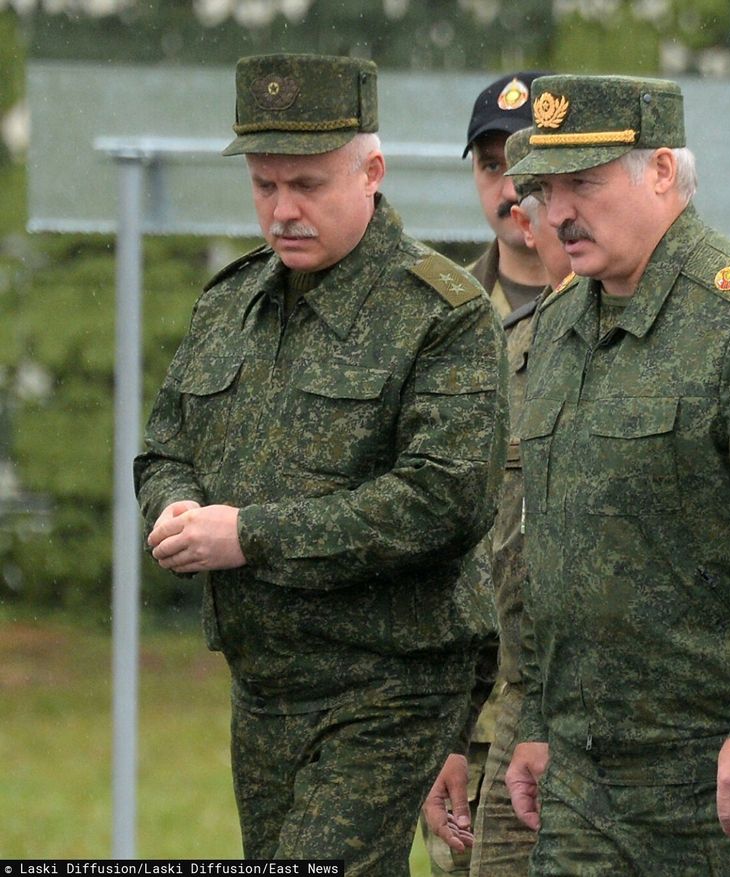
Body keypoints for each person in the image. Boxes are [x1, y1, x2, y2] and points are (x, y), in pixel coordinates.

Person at [133, 53, 507, 874]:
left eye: (307, 184)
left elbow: (442, 500)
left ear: (371, 172)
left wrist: (250, 536)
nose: (282, 210)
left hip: (389, 683)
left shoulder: (438, 315)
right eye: (265, 186)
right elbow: (166, 445)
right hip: (264, 688)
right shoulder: (231, 300)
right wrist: (174, 506)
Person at [503, 73, 730, 875]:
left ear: (662, 172)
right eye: (545, 186)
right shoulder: (561, 325)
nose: (557, 210)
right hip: (587, 782)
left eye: (584, 184)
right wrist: (536, 715)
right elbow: (553, 547)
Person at [423, 126, 572, 877]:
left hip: (590, 720)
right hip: (477, 715)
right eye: (492, 167)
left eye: (533, 174)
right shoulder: (440, 318)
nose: (512, 190)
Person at [464, 71, 552, 317]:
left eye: (527, 163)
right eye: (492, 166)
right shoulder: (445, 306)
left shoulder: (616, 297)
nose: (512, 191)